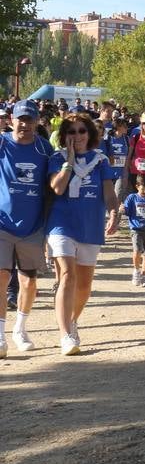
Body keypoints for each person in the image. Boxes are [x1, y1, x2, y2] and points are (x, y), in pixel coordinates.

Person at [46, 113, 119, 356]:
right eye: (71, 131)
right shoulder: (56, 158)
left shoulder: (100, 161)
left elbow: (108, 193)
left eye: (81, 131)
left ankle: (72, 319)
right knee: (67, 275)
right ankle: (66, 334)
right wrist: (68, 160)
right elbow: (57, 188)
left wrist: (113, 212)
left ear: (90, 134)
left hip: (90, 225)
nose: (77, 136)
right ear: (64, 135)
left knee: (84, 285)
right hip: (61, 224)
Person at [0, 101, 54, 355]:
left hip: (32, 226)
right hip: (2, 223)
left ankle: (20, 329)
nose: (25, 124)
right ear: (12, 119)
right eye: (21, 119)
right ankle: (0, 333)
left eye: (29, 120)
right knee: (1, 277)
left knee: (28, 282)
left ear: (36, 121)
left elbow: (51, 187)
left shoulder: (44, 149)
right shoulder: (1, 143)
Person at [120, 175, 145, 286]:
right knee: (137, 251)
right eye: (143, 188)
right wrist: (123, 209)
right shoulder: (132, 198)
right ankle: (136, 271)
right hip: (136, 229)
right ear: (137, 186)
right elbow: (126, 210)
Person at [104, 116, 130, 203]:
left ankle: (116, 214)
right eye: (125, 126)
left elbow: (129, 155)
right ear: (118, 127)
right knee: (107, 194)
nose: (127, 128)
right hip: (109, 171)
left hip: (120, 172)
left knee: (118, 193)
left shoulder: (126, 139)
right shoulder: (108, 138)